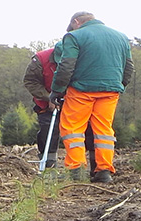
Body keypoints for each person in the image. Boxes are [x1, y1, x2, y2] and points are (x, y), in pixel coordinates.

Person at [50, 11, 133, 183]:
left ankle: (76, 171)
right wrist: (119, 86)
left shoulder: (74, 36)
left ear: (76, 22)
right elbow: (129, 67)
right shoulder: (121, 37)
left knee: (73, 128)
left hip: (81, 90)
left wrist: (57, 90)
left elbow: (66, 66)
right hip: (110, 92)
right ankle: (104, 171)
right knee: (104, 131)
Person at [23, 43, 96, 173]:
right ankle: (49, 166)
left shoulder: (84, 59)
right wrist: (48, 97)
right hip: (47, 101)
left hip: (77, 99)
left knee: (89, 130)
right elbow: (30, 81)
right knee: (48, 130)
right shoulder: (40, 60)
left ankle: (93, 167)